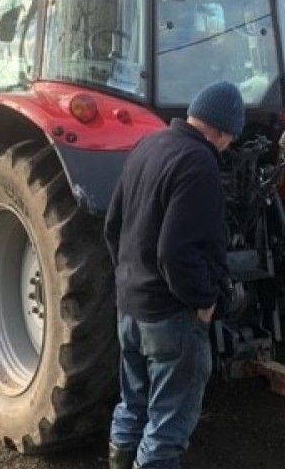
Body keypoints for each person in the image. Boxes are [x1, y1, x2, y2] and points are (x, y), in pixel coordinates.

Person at [104, 81, 245, 469]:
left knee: (132, 405)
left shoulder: (148, 145)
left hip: (130, 308)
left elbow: (113, 226)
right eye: (230, 136)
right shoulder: (199, 164)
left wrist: (130, 281)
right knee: (168, 424)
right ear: (218, 129)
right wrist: (203, 301)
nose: (229, 145)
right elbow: (175, 252)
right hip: (171, 315)